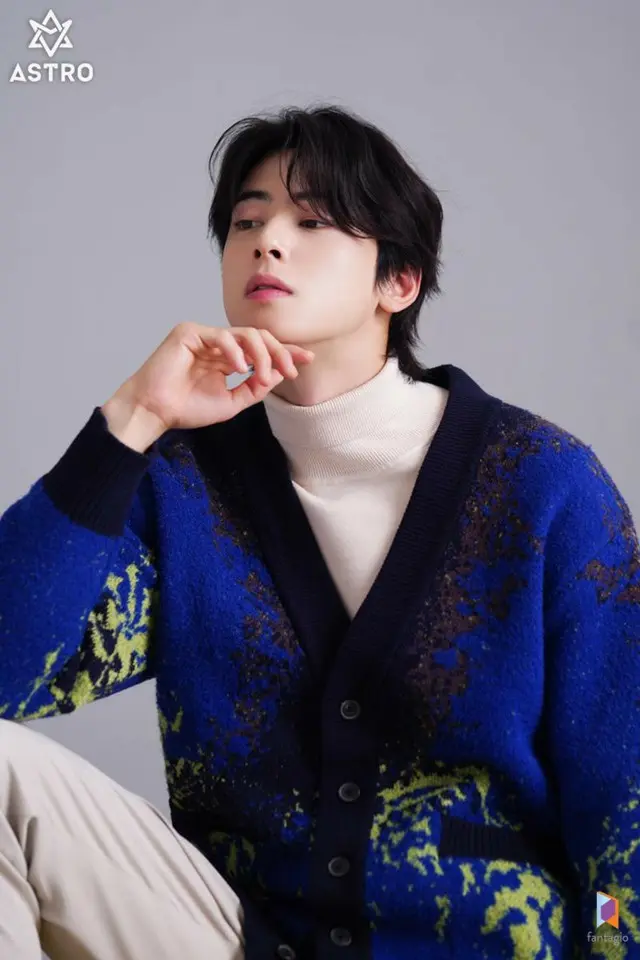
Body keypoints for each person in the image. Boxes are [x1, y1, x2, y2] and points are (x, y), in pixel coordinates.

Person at [0, 103, 638, 960]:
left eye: (313, 222)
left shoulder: (541, 484)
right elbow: (9, 677)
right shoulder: (186, 485)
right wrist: (131, 421)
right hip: (237, 938)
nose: (267, 242)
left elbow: (623, 808)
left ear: (398, 281)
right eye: (247, 221)